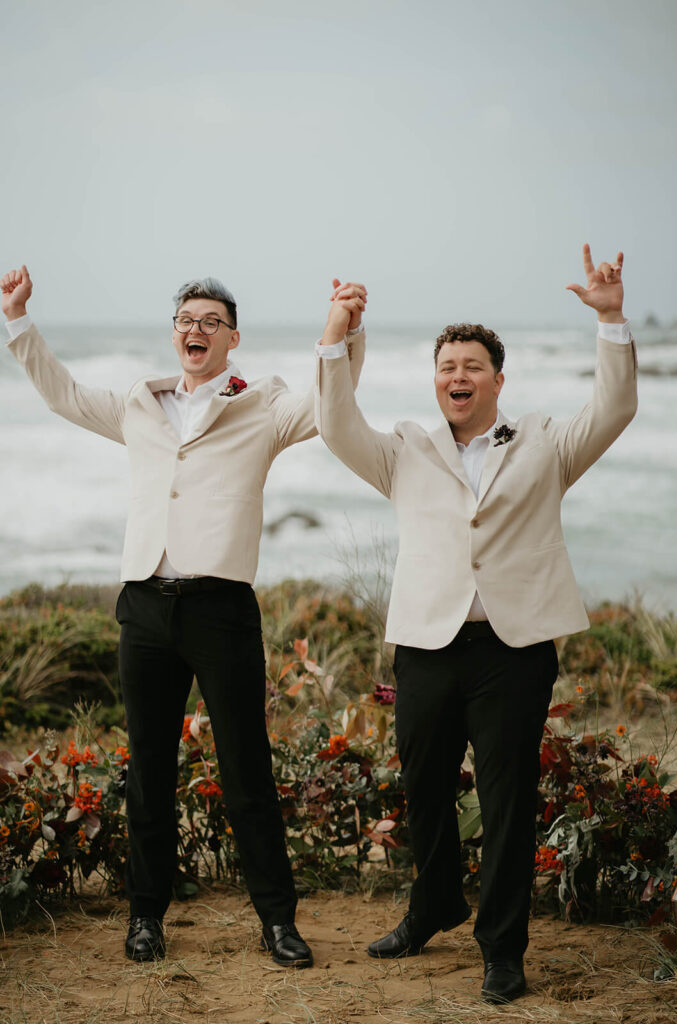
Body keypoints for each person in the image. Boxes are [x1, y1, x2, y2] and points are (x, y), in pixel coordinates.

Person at [1, 265, 366, 966]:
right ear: (175, 335)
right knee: (149, 768)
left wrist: (341, 331)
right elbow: (65, 395)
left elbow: (331, 404)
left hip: (220, 608)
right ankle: (145, 916)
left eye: (209, 322)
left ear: (232, 339)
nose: (194, 329)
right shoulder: (140, 402)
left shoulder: (264, 403)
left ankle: (277, 922)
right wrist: (17, 319)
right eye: (184, 320)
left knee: (245, 768)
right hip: (144, 606)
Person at [314, 247, 636, 1004]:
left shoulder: (547, 446)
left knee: (505, 801)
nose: (455, 377)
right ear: (435, 380)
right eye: (444, 367)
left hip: (513, 650)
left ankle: (501, 948)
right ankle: (432, 902)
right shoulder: (402, 452)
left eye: (470, 366)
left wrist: (611, 318)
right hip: (425, 646)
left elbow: (615, 408)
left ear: (497, 379)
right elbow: (333, 425)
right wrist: (336, 335)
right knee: (422, 790)